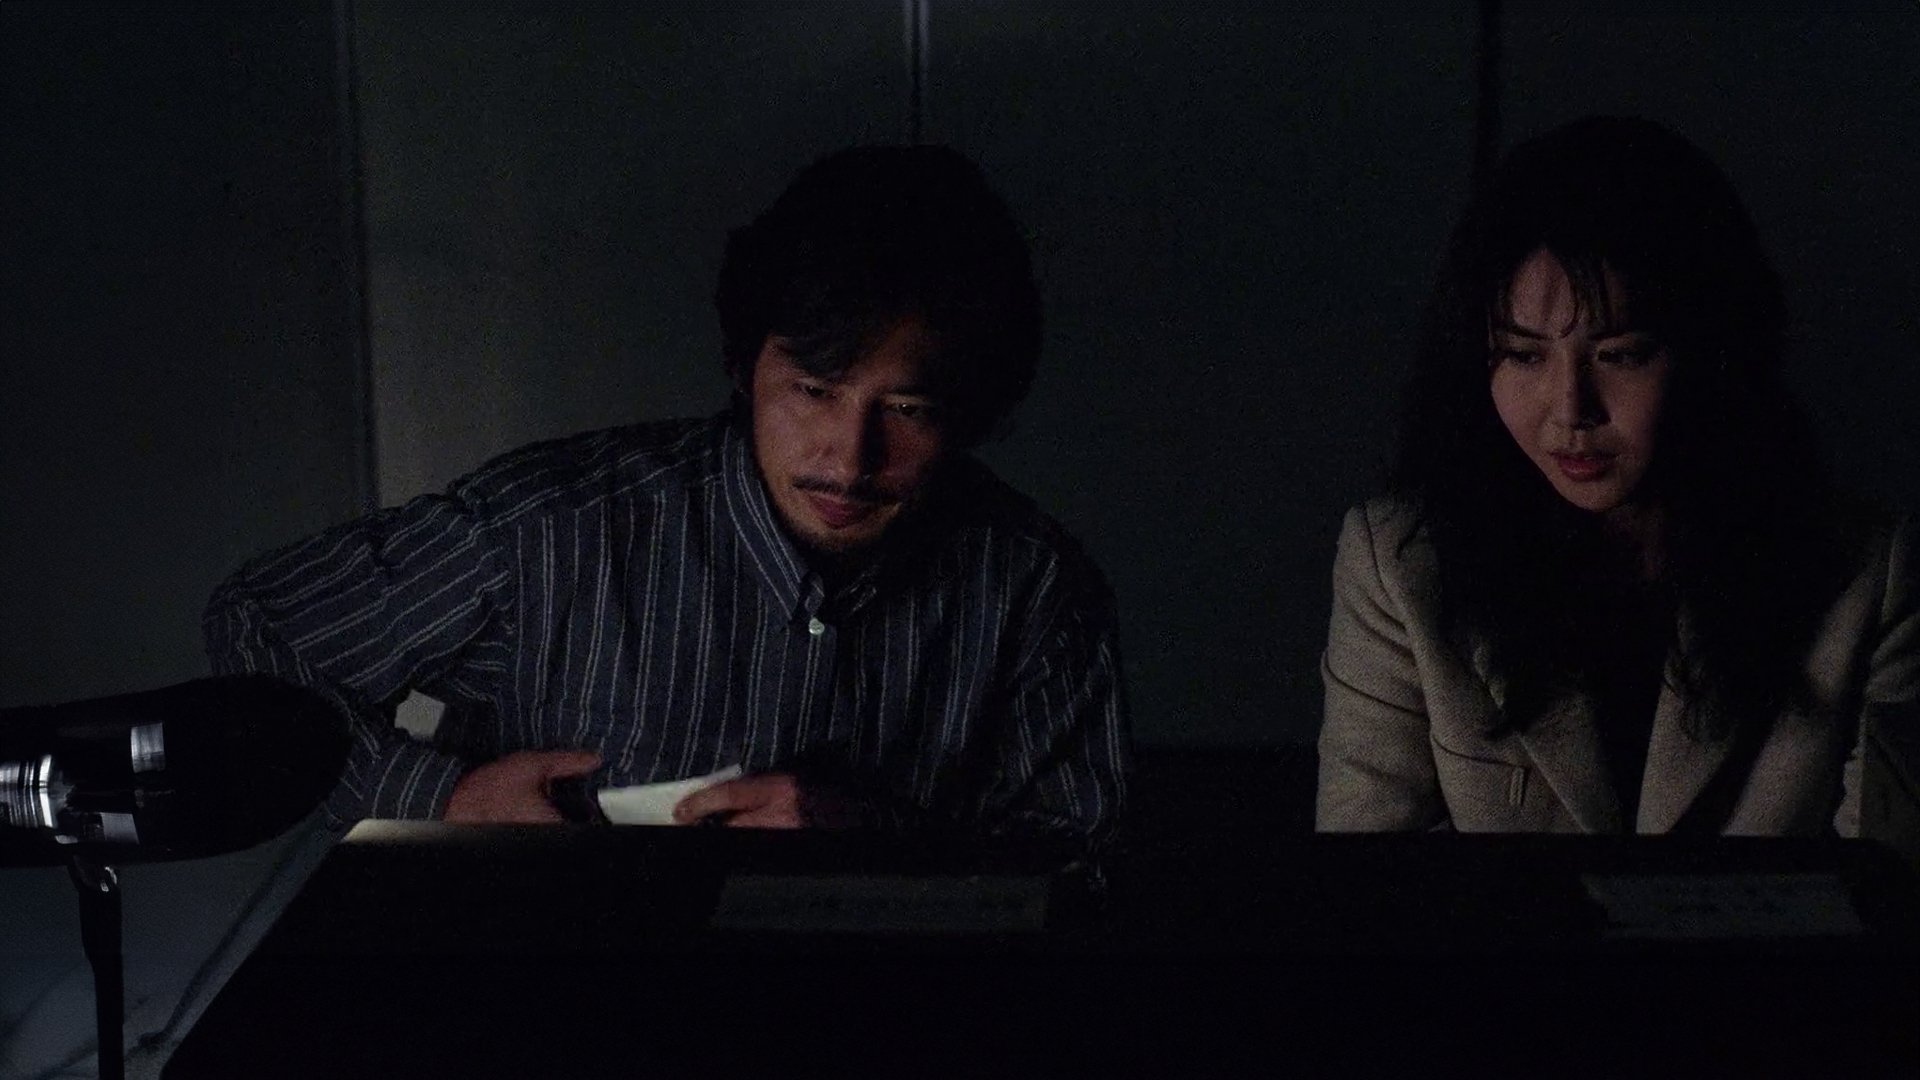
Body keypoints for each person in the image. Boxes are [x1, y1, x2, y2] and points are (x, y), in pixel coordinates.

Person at [205, 145, 1129, 848]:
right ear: (744, 365)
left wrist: (881, 838)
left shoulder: (1033, 584)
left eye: (910, 409)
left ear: (969, 411)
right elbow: (265, 625)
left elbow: (1079, 857)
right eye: (814, 391)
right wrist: (440, 798)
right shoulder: (551, 526)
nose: (850, 460)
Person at [1316, 116, 1917, 835]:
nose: (1571, 410)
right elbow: (1370, 875)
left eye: (1622, 355)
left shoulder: (1867, 574)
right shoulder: (1401, 564)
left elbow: (1881, 886)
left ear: (1713, 351)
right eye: (1524, 355)